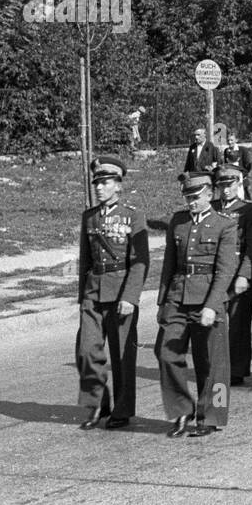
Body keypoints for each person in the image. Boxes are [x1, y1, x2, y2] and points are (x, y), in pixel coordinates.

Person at [154, 171, 238, 437]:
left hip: (208, 299)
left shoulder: (224, 224)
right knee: (166, 353)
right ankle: (181, 410)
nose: (191, 201)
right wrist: (162, 301)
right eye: (187, 197)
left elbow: (225, 270)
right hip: (178, 298)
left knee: (214, 364)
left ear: (210, 194)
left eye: (196, 197)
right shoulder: (178, 222)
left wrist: (212, 306)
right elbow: (169, 264)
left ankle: (213, 415)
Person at [76, 156, 149, 430]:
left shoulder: (133, 216)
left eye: (105, 182)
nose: (99, 187)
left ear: (118, 185)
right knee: (86, 351)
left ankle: (122, 409)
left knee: (121, 357)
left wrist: (130, 297)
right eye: (97, 182)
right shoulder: (89, 217)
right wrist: (82, 296)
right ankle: (97, 405)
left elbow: (141, 261)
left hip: (120, 293)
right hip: (94, 292)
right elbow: (85, 260)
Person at [212, 164, 252, 386]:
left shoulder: (248, 210)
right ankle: (217, 366)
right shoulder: (211, 208)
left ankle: (237, 369)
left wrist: (245, 275)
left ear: (238, 184)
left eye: (230, 185)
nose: (225, 191)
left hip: (238, 270)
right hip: (214, 273)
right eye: (221, 186)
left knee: (239, 324)